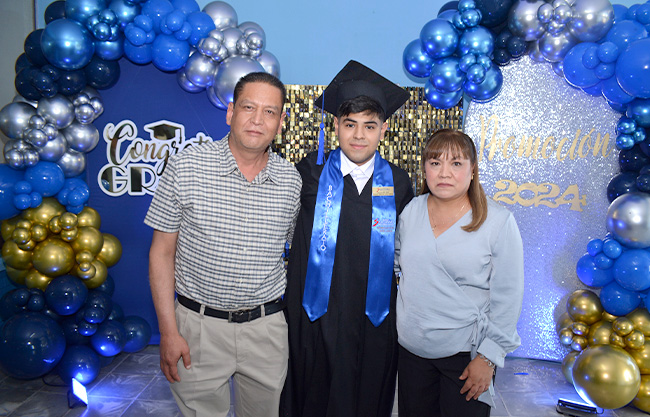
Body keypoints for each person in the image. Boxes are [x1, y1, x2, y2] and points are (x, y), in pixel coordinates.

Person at [144, 72, 302, 417]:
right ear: (231, 112)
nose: (258, 120)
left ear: (281, 123)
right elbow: (161, 252)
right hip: (198, 329)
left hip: (266, 331)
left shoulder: (291, 181)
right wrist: (168, 332)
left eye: (270, 112)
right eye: (248, 107)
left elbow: (298, 253)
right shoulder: (186, 167)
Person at [281, 60, 414, 417]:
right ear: (336, 126)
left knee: (366, 394)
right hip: (315, 312)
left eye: (369, 126)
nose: (358, 135)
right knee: (312, 393)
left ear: (384, 129)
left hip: (373, 316)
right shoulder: (309, 173)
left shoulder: (399, 183)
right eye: (350, 124)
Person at [394, 129, 524, 417]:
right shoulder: (410, 211)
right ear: (424, 168)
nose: (444, 173)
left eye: (456, 163)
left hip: (467, 355)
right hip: (412, 351)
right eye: (435, 162)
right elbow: (397, 263)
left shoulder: (498, 221)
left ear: (473, 169)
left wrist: (488, 357)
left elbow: (508, 296)